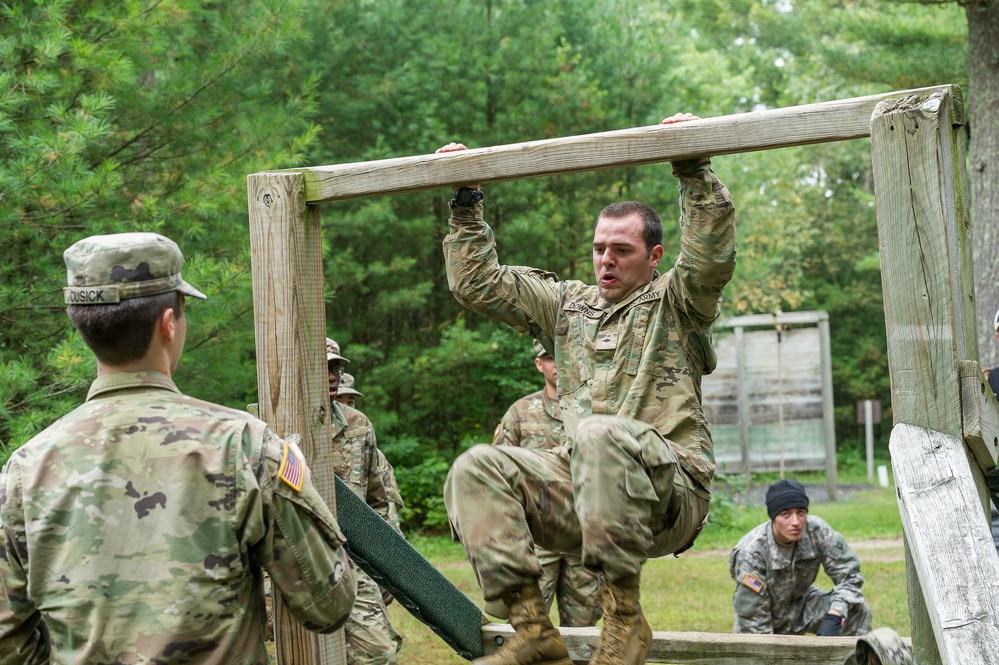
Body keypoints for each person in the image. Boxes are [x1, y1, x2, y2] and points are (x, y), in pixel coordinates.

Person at [438, 111, 736, 665]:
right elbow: (477, 284)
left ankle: (623, 617)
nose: (606, 260)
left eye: (621, 250)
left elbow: (711, 257)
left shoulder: (679, 303)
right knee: (475, 467)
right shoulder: (567, 306)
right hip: (584, 494)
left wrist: (693, 165)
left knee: (599, 433)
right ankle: (532, 627)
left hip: (670, 494)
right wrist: (465, 198)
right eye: (600, 247)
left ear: (654, 258)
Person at [0, 232, 356, 663]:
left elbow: (9, 641)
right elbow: (329, 603)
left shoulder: (25, 469)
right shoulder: (243, 445)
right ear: (169, 322)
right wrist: (297, 485)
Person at [491, 340, 603, 627]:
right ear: (539, 364)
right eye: (550, 358)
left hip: (585, 535)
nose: (558, 364)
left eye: (563, 357)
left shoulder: (597, 411)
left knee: (584, 628)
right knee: (528, 624)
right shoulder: (520, 413)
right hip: (536, 537)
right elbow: (497, 475)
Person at [326, 339, 404, 665]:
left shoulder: (358, 426)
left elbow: (379, 501)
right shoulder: (271, 423)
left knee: (379, 653)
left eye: (336, 368)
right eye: (324, 366)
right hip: (290, 563)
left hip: (350, 562)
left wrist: (387, 563)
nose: (332, 376)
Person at [728, 479, 873, 636]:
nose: (796, 522)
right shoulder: (751, 552)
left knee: (857, 611)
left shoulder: (818, 532)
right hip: (761, 617)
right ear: (774, 517)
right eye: (786, 515)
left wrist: (834, 616)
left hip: (800, 607)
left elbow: (850, 577)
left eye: (801, 513)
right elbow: (753, 617)